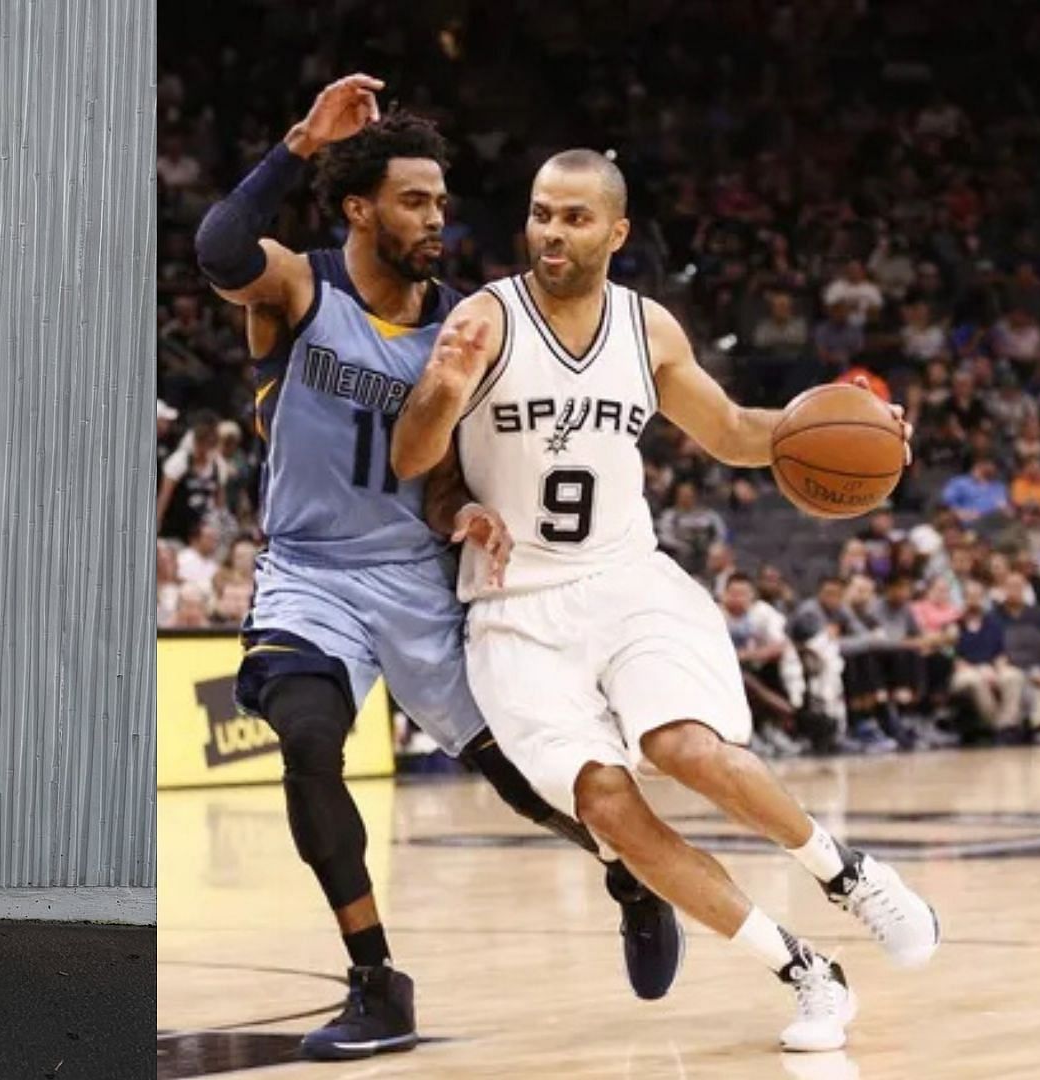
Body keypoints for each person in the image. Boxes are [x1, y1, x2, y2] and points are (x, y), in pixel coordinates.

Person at [391, 151, 939, 1053]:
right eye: (539, 214)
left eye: (572, 217)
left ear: (617, 231)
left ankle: (848, 875)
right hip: (514, 610)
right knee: (605, 805)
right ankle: (804, 970)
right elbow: (420, 466)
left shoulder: (649, 331)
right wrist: (449, 429)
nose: (550, 233)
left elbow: (733, 434)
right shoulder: (482, 320)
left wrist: (869, 430)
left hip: (626, 581)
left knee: (682, 744)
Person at [193, 78, 680, 1060]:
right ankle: (377, 982)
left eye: (442, 202)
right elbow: (217, 251)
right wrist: (298, 142)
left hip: (420, 579)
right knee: (306, 738)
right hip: (312, 572)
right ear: (360, 208)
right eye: (415, 200)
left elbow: (450, 478)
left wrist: (471, 515)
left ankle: (631, 872)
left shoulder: (467, 325)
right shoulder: (301, 286)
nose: (436, 218)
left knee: (522, 776)